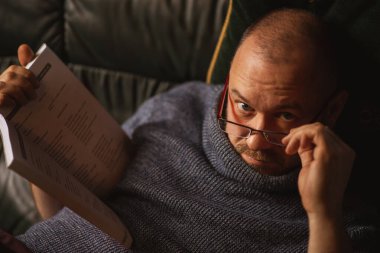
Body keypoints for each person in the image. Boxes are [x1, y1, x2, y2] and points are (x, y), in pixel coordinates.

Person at [0, 8, 378, 253]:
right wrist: (31, 130)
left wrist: (323, 211)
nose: (256, 136)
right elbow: (64, 217)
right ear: (229, 82)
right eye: (243, 106)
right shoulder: (177, 107)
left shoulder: (339, 222)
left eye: (285, 116)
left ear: (332, 108)